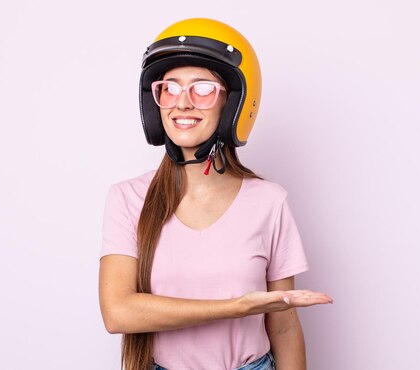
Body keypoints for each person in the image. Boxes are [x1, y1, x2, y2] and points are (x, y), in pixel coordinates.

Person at [99, 18, 333, 370]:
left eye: (202, 89)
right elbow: (118, 313)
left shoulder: (269, 202)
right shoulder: (128, 198)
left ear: (233, 103)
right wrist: (238, 307)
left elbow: (284, 328)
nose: (182, 104)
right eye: (170, 88)